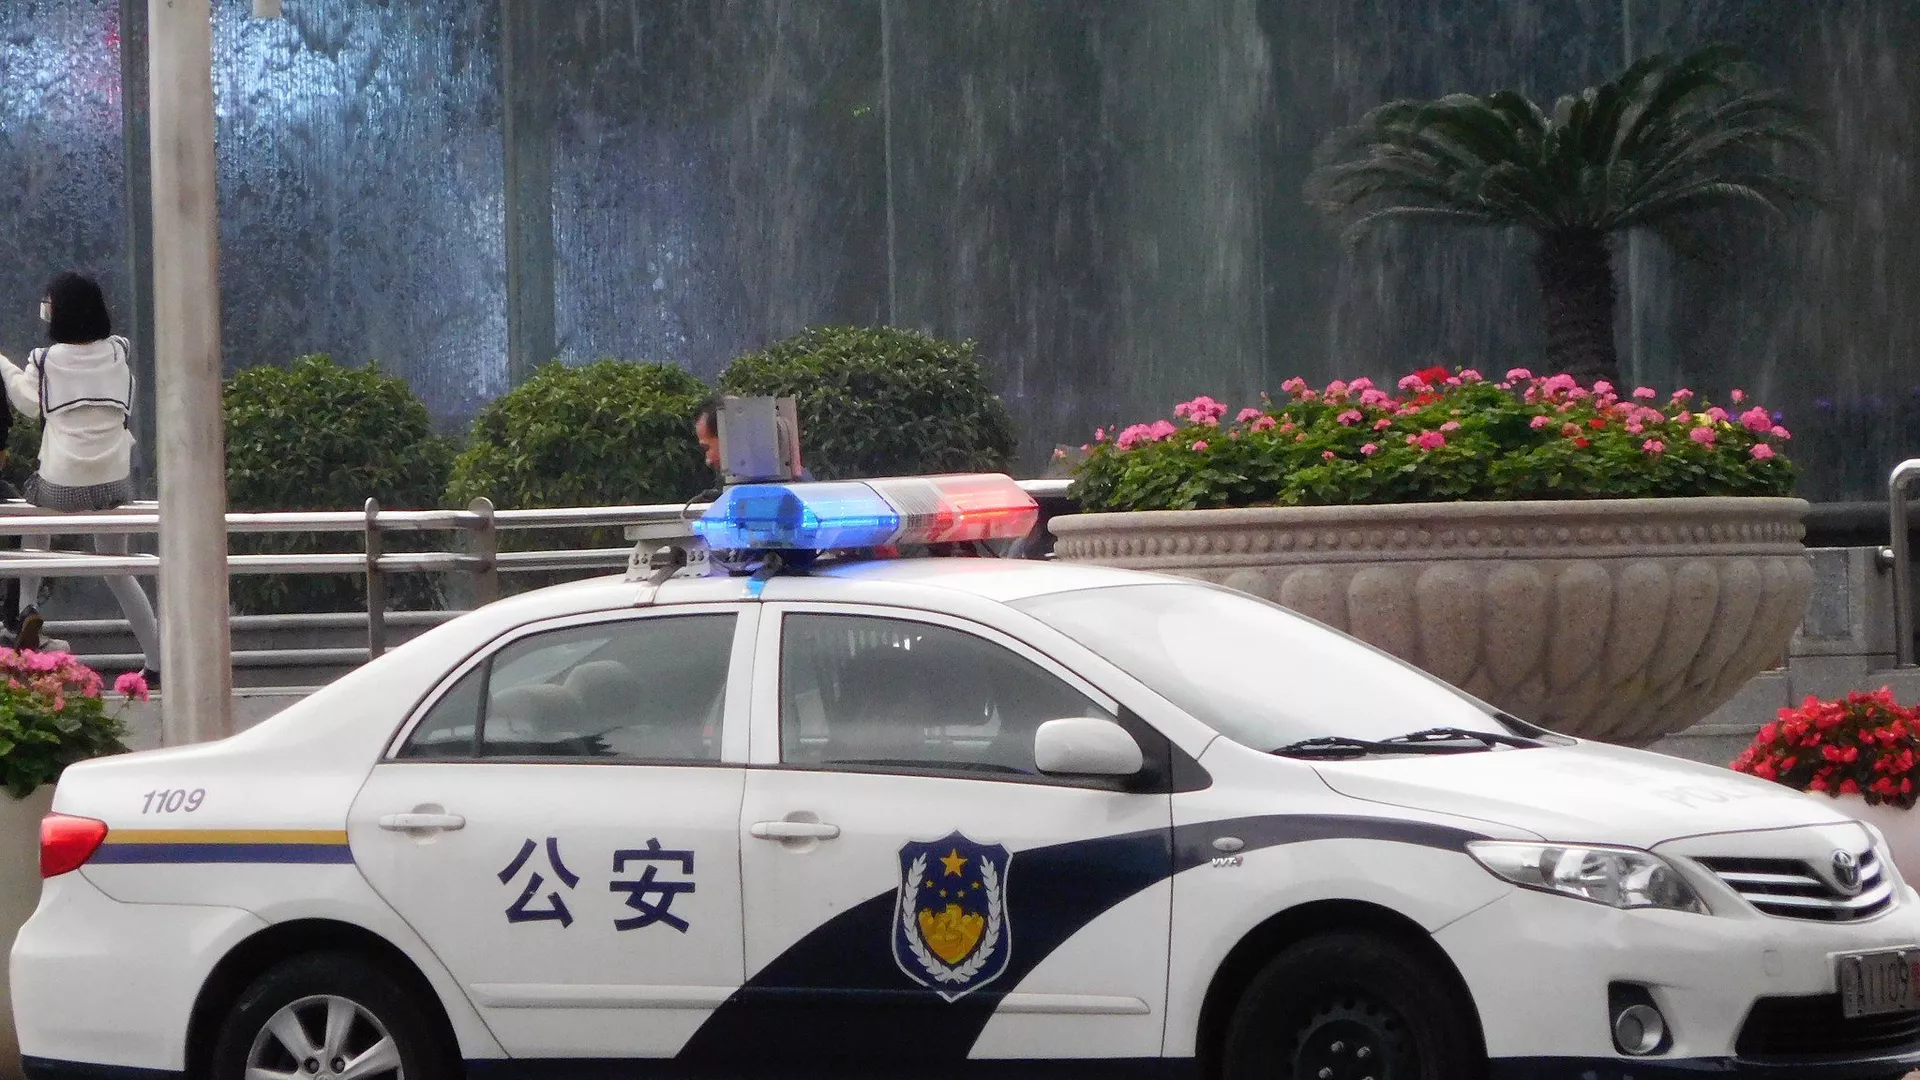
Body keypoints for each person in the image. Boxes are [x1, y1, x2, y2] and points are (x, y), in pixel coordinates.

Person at [0, 272, 159, 684]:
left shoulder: (45, 359)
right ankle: (158, 662)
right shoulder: (119, 350)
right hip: (114, 484)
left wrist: (4, 364)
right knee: (118, 569)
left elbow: (28, 404)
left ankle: (27, 609)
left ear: (61, 312)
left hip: (60, 485)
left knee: (35, 520)